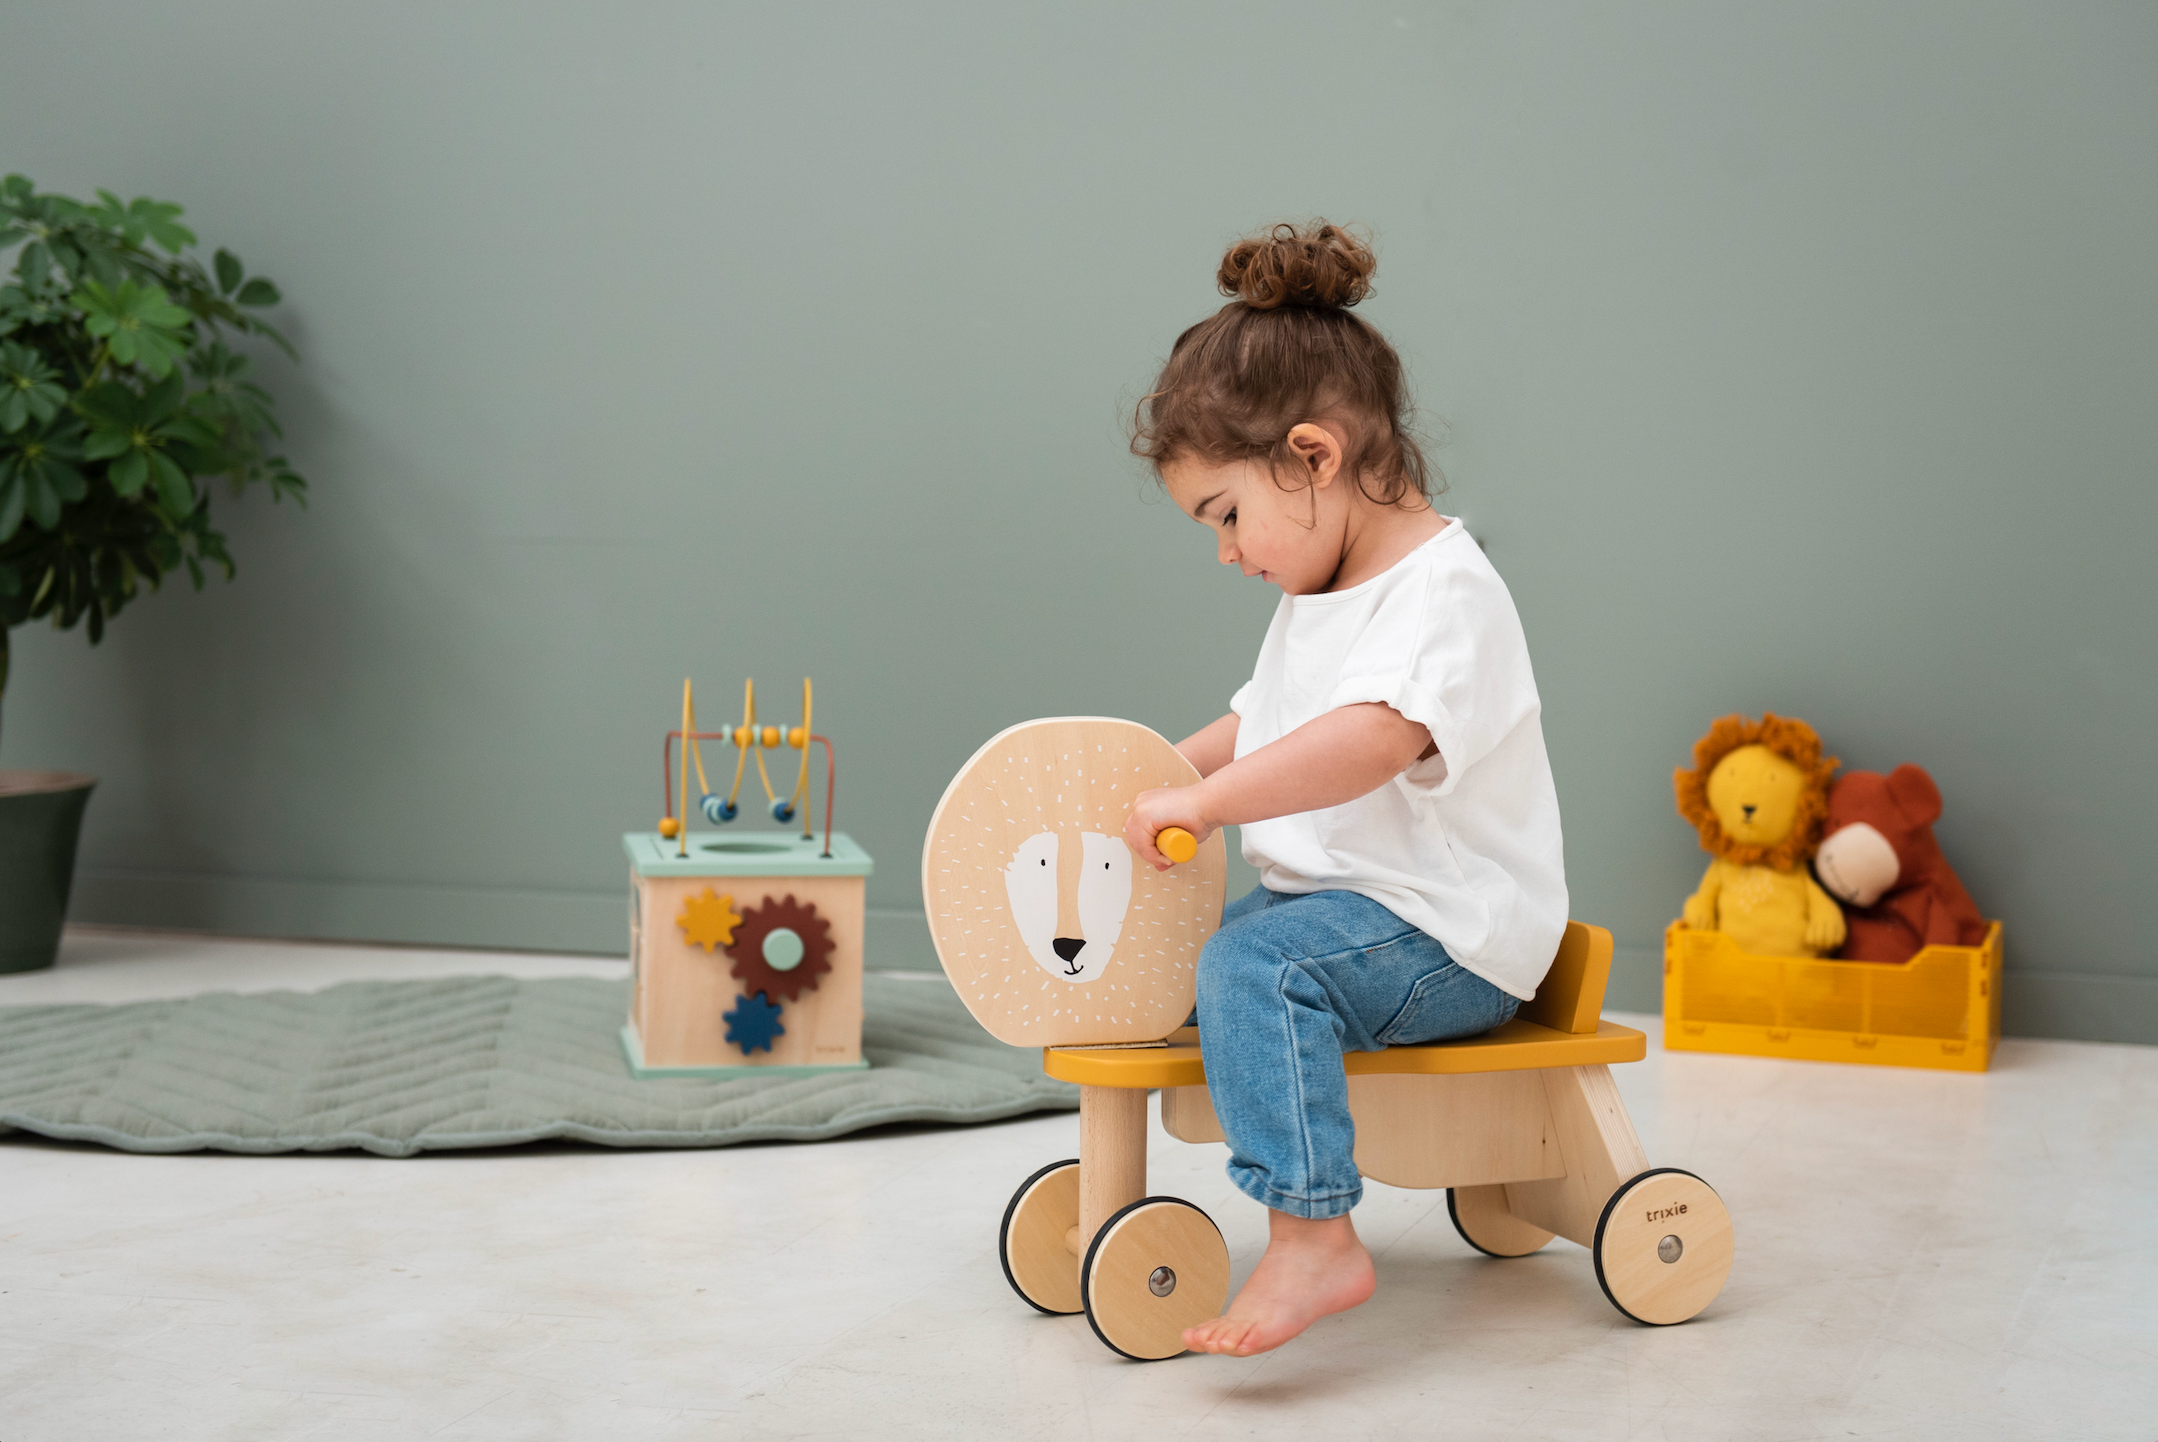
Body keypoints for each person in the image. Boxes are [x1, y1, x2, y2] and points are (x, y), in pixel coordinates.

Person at [1121, 222, 1568, 1357]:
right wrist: (1163, 771)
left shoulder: (1443, 592)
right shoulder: (1321, 593)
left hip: (1446, 930)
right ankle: (1125, 1189)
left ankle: (1314, 1232)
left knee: (1253, 969)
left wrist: (1208, 807)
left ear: (1313, 456)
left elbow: (1368, 741)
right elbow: (1264, 724)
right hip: (1350, 913)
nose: (1227, 552)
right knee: (1180, 964)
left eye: (1227, 515)